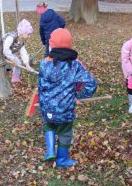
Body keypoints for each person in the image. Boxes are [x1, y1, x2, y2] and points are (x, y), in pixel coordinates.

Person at [38, 28, 98, 167]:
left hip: (47, 109)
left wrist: (44, 101)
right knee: (65, 133)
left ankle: (50, 151)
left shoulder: (44, 65)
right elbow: (91, 83)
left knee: (48, 125)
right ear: (69, 46)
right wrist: (81, 96)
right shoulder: (75, 66)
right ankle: (61, 159)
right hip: (65, 110)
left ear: (51, 46)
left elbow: (40, 87)